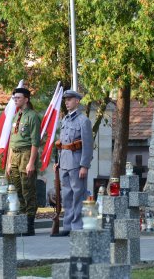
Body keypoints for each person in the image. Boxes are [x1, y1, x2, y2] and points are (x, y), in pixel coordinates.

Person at [51, 90, 93, 237]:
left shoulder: (83, 121)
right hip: (65, 163)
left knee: (78, 195)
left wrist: (84, 165)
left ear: (77, 101)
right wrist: (58, 162)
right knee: (66, 196)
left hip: (77, 163)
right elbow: (61, 143)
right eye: (65, 100)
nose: (66, 102)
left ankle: (77, 226)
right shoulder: (65, 120)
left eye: (69, 99)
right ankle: (67, 226)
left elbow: (87, 145)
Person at [6, 87, 41, 236]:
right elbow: (11, 142)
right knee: (16, 188)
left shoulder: (32, 116)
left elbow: (35, 142)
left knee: (28, 189)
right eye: (14, 98)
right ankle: (21, 222)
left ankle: (29, 225)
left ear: (26, 99)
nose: (15, 100)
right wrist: (8, 162)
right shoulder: (16, 116)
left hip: (26, 154)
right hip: (14, 155)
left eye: (18, 98)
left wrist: (31, 162)